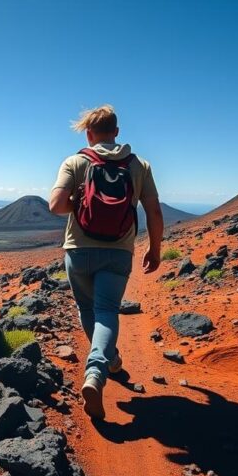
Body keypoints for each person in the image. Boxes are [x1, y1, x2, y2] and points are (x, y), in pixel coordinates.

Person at [48, 105, 163, 420]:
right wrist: (155, 249)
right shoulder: (140, 165)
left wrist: (81, 202)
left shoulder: (76, 161)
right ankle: (100, 369)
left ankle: (105, 366)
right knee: (107, 311)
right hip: (118, 252)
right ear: (116, 131)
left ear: (89, 133)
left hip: (78, 251)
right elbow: (154, 211)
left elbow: (55, 205)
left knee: (88, 311)